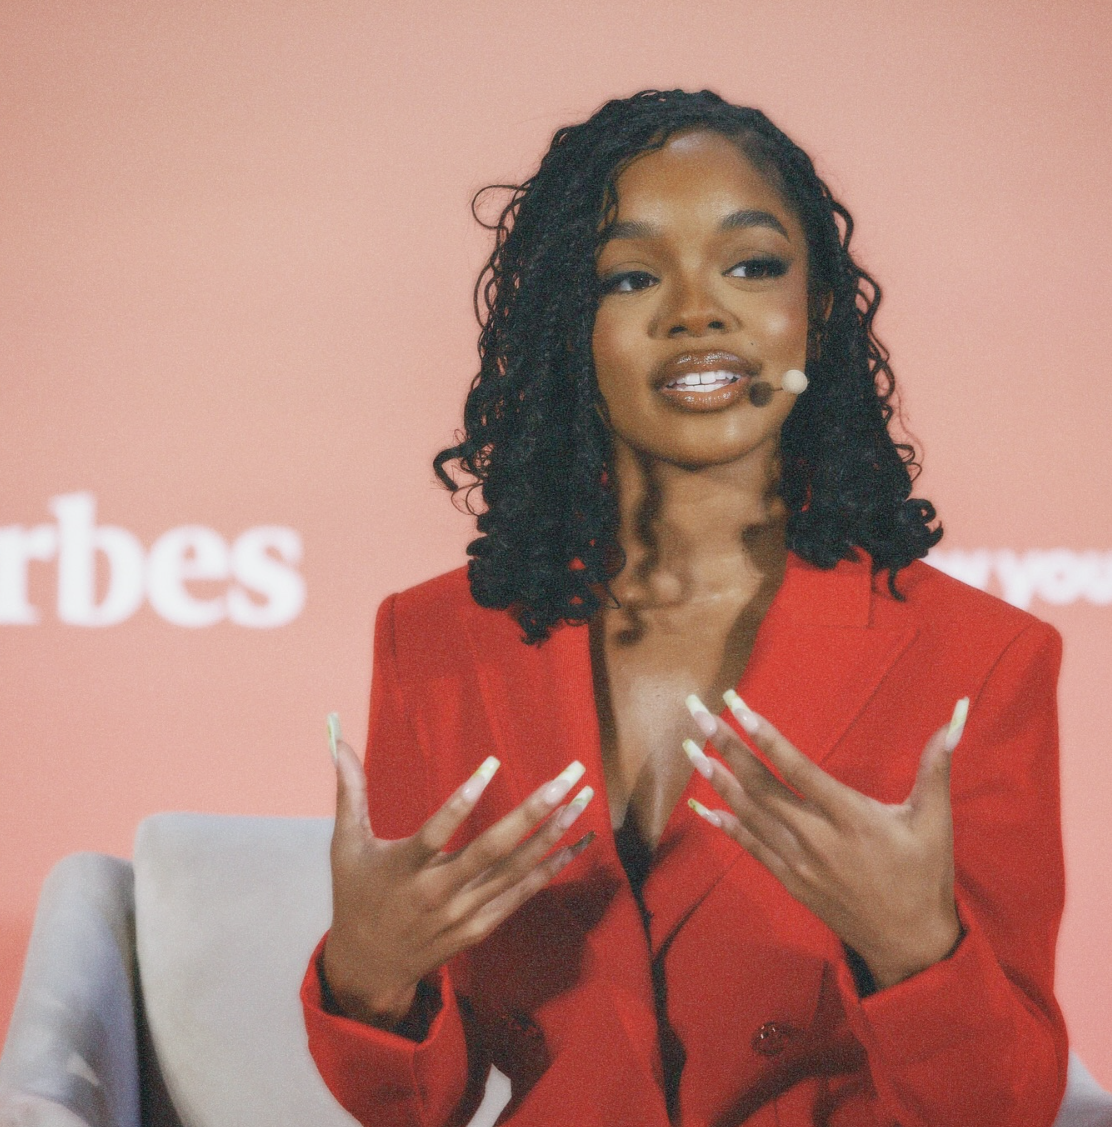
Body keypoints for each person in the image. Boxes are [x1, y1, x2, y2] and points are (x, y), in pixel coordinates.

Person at [300, 89, 1068, 1126]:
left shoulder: (980, 658)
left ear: (821, 307)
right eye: (629, 276)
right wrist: (368, 980)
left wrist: (914, 952)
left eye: (751, 265)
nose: (695, 310)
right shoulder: (437, 643)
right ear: (572, 327)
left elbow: (1006, 1106)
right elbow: (409, 1108)